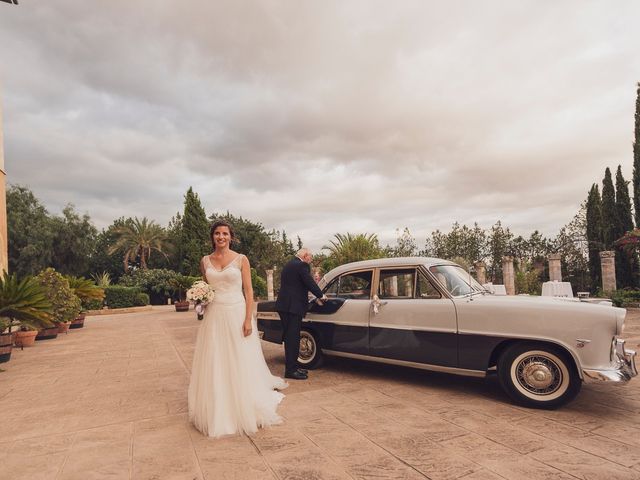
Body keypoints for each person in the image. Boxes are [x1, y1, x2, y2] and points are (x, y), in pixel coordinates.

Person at [188, 220, 287, 438]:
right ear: (212, 236)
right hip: (214, 316)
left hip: (236, 313)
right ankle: (219, 406)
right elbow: (207, 288)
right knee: (216, 358)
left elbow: (249, 292)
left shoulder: (242, 259)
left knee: (239, 358)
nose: (221, 237)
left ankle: (244, 402)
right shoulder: (205, 261)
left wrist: (247, 319)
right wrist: (200, 299)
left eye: (225, 233)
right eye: (217, 233)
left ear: (231, 236)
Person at [275, 248, 327, 380]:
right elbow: (309, 282)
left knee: (290, 338)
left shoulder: (289, 264)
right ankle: (291, 371)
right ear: (305, 256)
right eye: (310, 257)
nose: (311, 260)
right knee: (292, 339)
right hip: (293, 307)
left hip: (285, 305)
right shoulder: (301, 265)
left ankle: (294, 367)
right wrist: (321, 295)